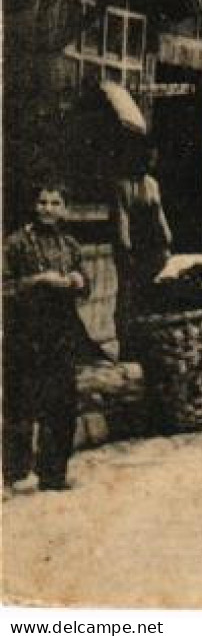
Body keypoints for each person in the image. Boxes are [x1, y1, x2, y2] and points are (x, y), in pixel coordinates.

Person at [4, 180, 90, 492]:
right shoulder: (15, 244)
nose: (48, 209)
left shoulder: (70, 246)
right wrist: (39, 280)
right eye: (43, 202)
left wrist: (80, 281)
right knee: (21, 401)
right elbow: (4, 288)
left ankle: (53, 474)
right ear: (33, 205)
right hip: (24, 334)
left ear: (65, 209)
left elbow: (85, 286)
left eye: (55, 203)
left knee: (61, 403)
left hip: (62, 334)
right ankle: (14, 473)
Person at [112, 144, 172, 358]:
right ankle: (128, 349)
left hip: (152, 248)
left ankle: (148, 350)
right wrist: (126, 250)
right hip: (133, 249)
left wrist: (166, 241)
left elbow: (160, 216)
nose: (149, 164)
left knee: (152, 297)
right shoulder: (123, 186)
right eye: (146, 159)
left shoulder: (152, 184)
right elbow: (122, 221)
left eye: (152, 160)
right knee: (129, 300)